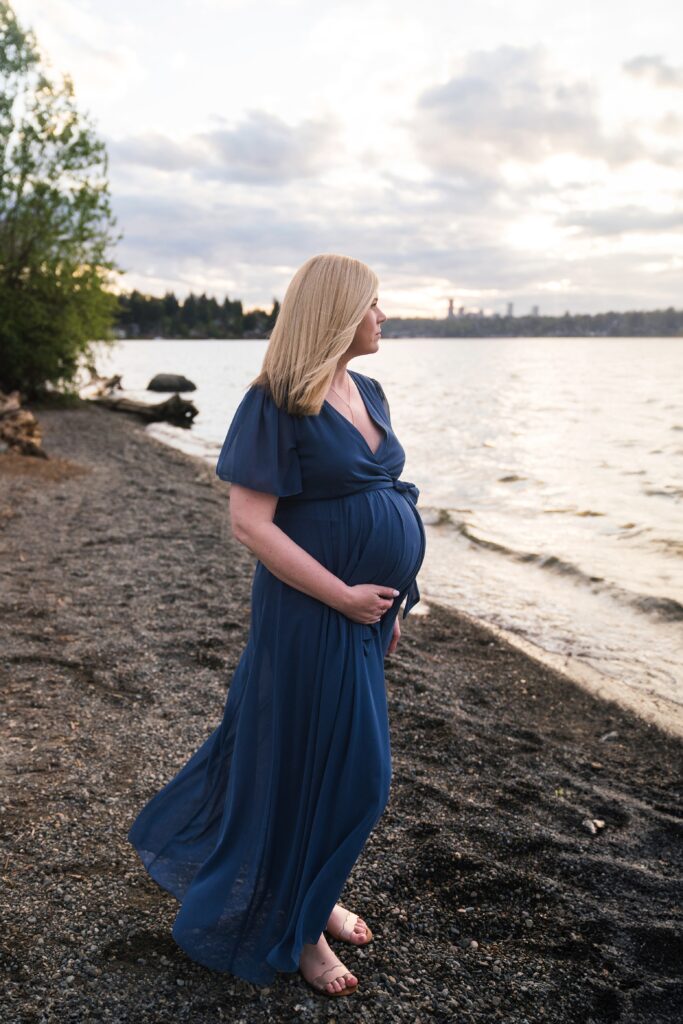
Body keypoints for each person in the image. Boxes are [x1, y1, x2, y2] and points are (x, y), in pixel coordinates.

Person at [127, 253, 426, 999]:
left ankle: (311, 897)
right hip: (309, 612)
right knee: (351, 776)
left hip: (362, 615)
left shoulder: (369, 390)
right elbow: (249, 524)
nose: (381, 315)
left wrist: (397, 603)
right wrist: (342, 596)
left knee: (328, 767)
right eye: (372, 304)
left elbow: (387, 493)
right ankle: (293, 933)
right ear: (335, 311)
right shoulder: (276, 400)